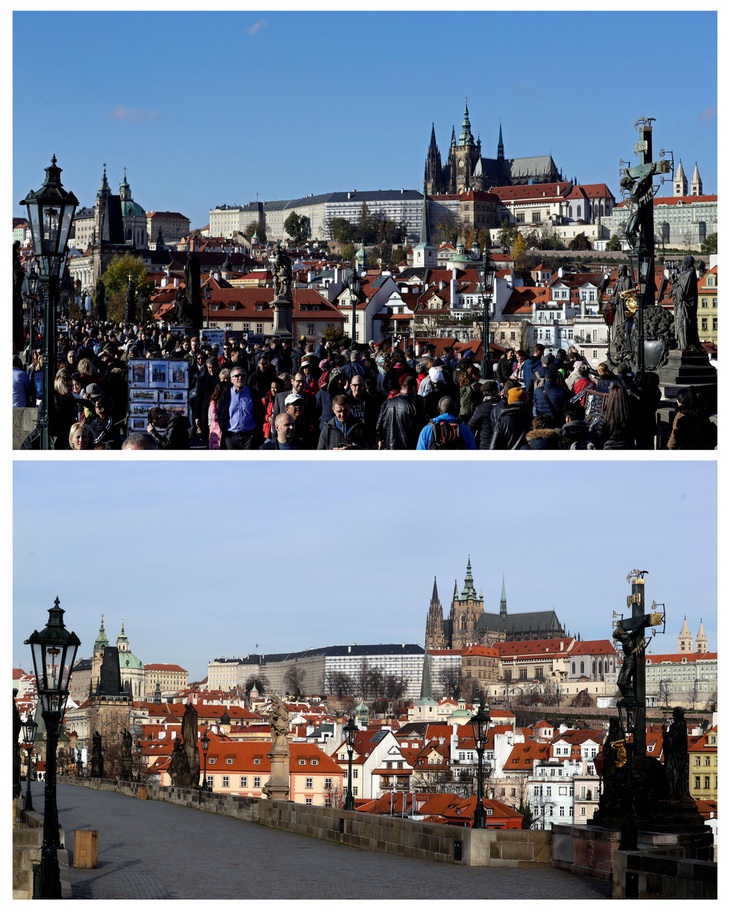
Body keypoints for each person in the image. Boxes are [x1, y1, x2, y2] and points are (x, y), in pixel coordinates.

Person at [375, 374, 424, 449]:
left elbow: (379, 426)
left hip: (389, 445)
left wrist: (380, 439)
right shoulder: (414, 405)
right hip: (407, 446)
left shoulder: (387, 403)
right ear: (413, 388)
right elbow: (419, 428)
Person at [217, 368, 262, 449]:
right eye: (237, 376)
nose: (240, 378)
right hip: (231, 436)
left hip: (249, 437)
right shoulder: (226, 394)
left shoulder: (253, 393)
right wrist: (225, 434)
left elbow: (260, 412)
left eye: (243, 376)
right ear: (231, 379)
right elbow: (220, 414)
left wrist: (255, 434)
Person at [468, 380, 500, 450]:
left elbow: (471, 426)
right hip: (502, 443)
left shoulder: (481, 409)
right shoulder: (503, 405)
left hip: (486, 443)